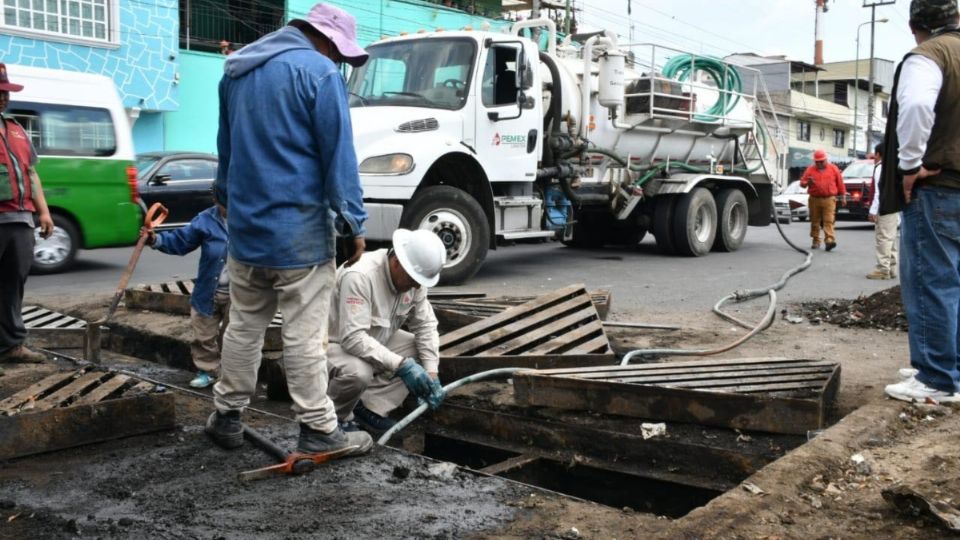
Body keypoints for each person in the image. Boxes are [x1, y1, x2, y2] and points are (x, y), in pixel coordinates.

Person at [207, 3, 372, 455]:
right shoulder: (319, 73)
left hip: (246, 231)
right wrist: (354, 221)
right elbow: (337, 155)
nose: (340, 60)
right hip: (298, 233)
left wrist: (224, 199)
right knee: (304, 334)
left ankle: (227, 417)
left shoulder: (237, 71)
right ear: (325, 39)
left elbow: (226, 146)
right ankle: (318, 428)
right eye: (340, 51)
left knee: (243, 326)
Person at [881, 0, 960, 403]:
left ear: (916, 26)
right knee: (955, 283)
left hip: (939, 187)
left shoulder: (929, 55)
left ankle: (936, 378)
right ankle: (951, 366)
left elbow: (913, 106)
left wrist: (911, 165)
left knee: (933, 280)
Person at [327, 229, 446, 436]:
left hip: (369, 340)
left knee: (419, 351)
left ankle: (365, 408)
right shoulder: (361, 275)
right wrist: (401, 365)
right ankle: (331, 420)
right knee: (359, 371)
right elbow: (352, 338)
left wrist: (432, 373)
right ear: (397, 261)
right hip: (331, 344)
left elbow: (425, 325)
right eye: (413, 279)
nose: (416, 285)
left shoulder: (414, 281)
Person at [145, 194, 229, 389]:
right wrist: (155, 239)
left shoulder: (250, 218)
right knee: (203, 334)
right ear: (216, 200)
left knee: (235, 337)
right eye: (221, 202)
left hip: (241, 292)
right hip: (209, 289)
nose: (225, 207)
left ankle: (234, 378)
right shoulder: (206, 219)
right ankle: (208, 371)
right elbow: (180, 241)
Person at [0, 63, 53, 365]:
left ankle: (10, 346)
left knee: (12, 285)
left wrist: (43, 212)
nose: (3, 98)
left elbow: (31, 174)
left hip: (20, 220)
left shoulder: (16, 130)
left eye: (5, 93)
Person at [799, 149, 846, 251]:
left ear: (826, 159)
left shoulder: (834, 169)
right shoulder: (810, 170)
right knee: (815, 221)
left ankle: (829, 240)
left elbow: (840, 183)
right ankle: (816, 240)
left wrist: (843, 196)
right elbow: (802, 183)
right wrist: (807, 183)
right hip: (814, 199)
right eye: (817, 162)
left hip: (829, 199)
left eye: (821, 161)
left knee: (828, 220)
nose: (819, 163)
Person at [866, 143, 900, 280]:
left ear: (879, 154)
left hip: (884, 207)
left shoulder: (881, 168)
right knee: (890, 238)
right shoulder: (893, 168)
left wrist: (873, 210)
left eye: (875, 154)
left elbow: (878, 192)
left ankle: (882, 269)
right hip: (894, 206)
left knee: (883, 238)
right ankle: (892, 268)